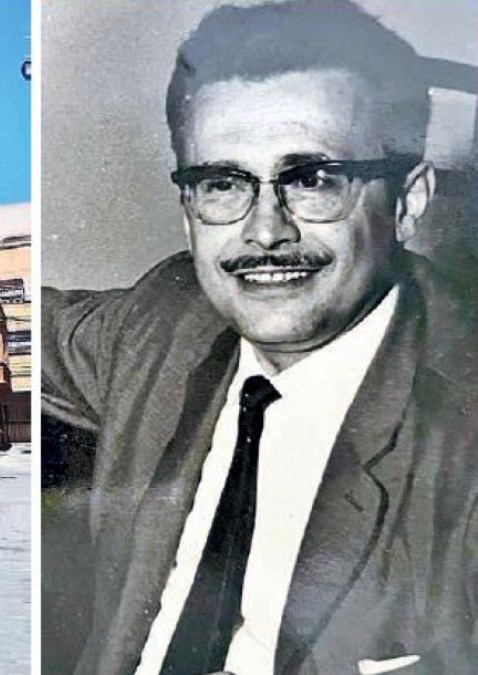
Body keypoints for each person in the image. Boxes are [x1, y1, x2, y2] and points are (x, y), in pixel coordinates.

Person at [41, 2, 477, 674]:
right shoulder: (163, 318)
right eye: (223, 183)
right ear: (189, 213)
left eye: (314, 179)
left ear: (408, 202)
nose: (264, 230)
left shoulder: (458, 437)